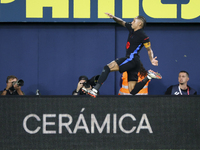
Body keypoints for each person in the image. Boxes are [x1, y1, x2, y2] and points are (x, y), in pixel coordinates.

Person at [82, 13, 162, 98]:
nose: (132, 22)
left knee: (107, 67)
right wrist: (113, 17)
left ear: (140, 24)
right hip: (135, 62)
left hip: (131, 59)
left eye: (134, 20)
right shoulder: (131, 29)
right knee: (132, 91)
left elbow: (149, 50)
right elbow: (122, 22)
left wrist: (152, 59)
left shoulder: (144, 36)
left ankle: (95, 90)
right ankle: (148, 77)